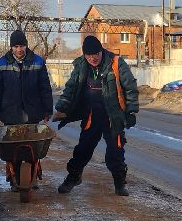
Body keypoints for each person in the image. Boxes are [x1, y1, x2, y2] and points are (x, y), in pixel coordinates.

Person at [53, 34, 139, 196]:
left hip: (113, 117)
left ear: (101, 51)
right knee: (82, 150)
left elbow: (130, 89)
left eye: (96, 55)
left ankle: (120, 183)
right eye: (89, 55)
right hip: (91, 116)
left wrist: (131, 111)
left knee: (115, 152)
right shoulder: (81, 65)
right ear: (84, 55)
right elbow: (71, 88)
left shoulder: (116, 63)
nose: (92, 58)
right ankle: (73, 177)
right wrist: (62, 107)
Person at [0, 29, 53, 127]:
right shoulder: (1, 64)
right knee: (13, 142)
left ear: (26, 45)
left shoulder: (38, 62)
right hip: (10, 114)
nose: (19, 49)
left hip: (33, 114)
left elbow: (45, 88)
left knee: (31, 142)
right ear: (11, 47)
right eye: (16, 46)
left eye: (22, 46)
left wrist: (47, 110)